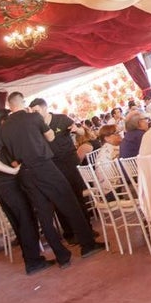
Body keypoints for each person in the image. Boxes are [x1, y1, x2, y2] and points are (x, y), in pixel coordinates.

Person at [0, 91, 104, 267]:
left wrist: (12, 172)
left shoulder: (2, 129)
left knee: (44, 215)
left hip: (25, 173)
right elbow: (50, 136)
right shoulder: (33, 118)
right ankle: (88, 245)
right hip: (45, 167)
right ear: (23, 102)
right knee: (70, 203)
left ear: (9, 106)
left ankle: (62, 257)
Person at [0, 110, 53, 275]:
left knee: (19, 223)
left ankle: (31, 259)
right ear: (3, 121)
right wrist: (13, 171)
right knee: (26, 221)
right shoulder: (4, 137)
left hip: (1, 186)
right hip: (10, 185)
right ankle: (33, 262)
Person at [29, 97, 91, 232]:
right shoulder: (35, 126)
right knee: (60, 197)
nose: (35, 114)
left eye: (37, 110)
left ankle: (87, 228)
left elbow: (81, 132)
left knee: (77, 194)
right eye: (33, 112)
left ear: (45, 108)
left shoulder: (61, 119)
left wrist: (76, 129)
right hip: (52, 164)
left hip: (69, 160)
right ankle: (70, 232)